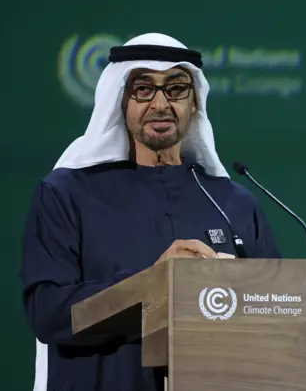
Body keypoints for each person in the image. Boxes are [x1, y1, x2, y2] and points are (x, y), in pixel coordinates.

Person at [19, 32, 281, 391]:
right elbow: (48, 313)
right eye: (143, 89)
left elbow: (280, 309)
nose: (161, 103)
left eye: (176, 89)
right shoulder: (66, 194)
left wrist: (240, 290)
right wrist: (153, 284)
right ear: (120, 100)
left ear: (194, 104)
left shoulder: (233, 202)